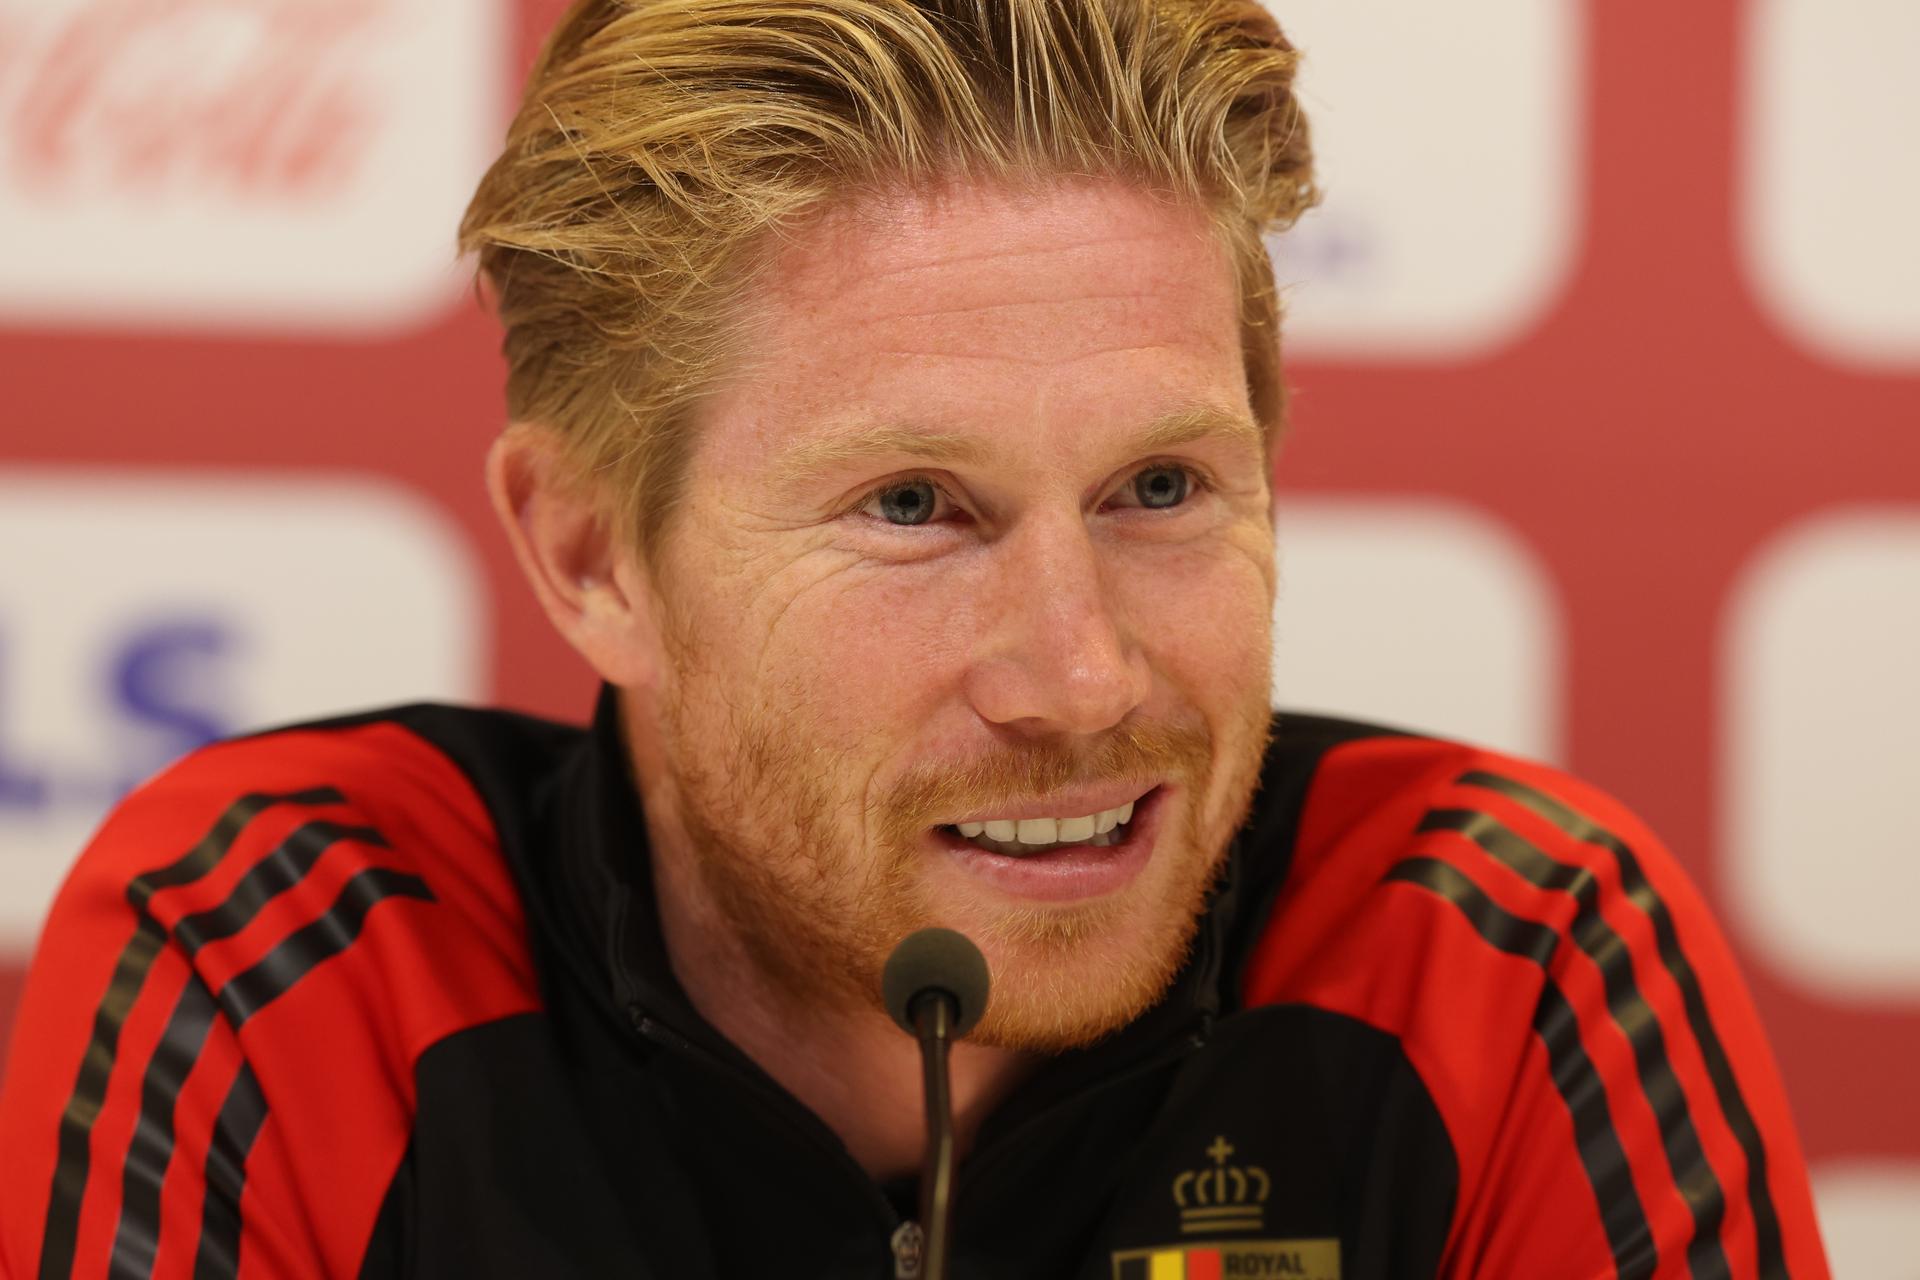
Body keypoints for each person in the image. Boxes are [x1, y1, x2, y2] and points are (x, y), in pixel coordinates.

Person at [0, 2, 1830, 1276]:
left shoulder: (1496, 953)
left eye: (1163, 491)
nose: (1083, 678)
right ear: (589, 557)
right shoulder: (285, 946)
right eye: (911, 510)